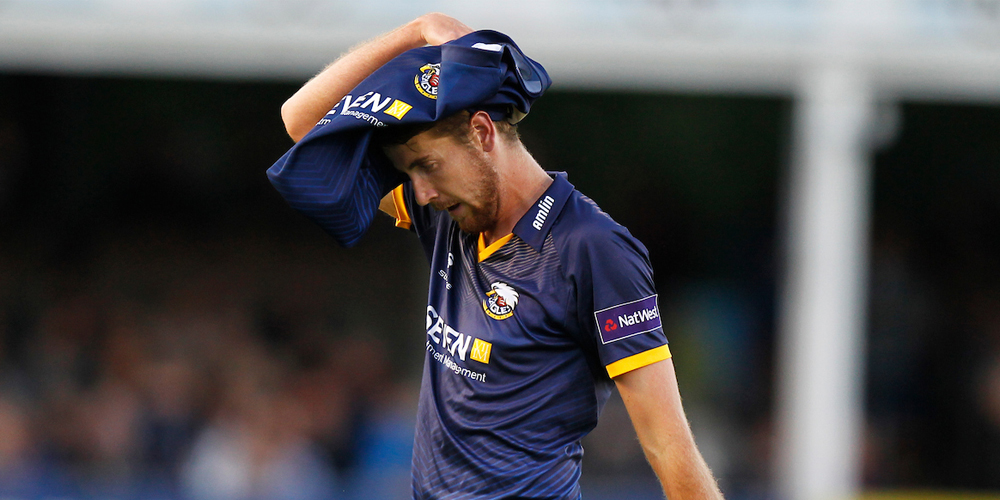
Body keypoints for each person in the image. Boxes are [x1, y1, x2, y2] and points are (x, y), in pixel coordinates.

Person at [270, 12, 725, 500]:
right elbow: (301, 122)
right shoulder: (445, 214)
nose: (419, 192)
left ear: (483, 132)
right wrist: (417, 31)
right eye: (408, 173)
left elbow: (667, 445)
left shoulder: (592, 248)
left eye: (427, 166)